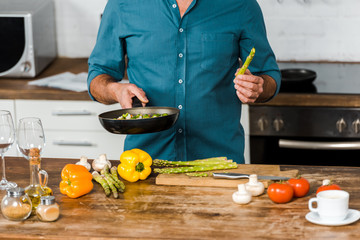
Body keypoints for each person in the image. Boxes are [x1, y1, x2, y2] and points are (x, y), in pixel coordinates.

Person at [87, 0, 281, 164]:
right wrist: (115, 90)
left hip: (221, 164)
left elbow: (268, 74)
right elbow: (98, 76)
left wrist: (258, 86)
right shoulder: (122, 4)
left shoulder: (241, 5)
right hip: (144, 164)